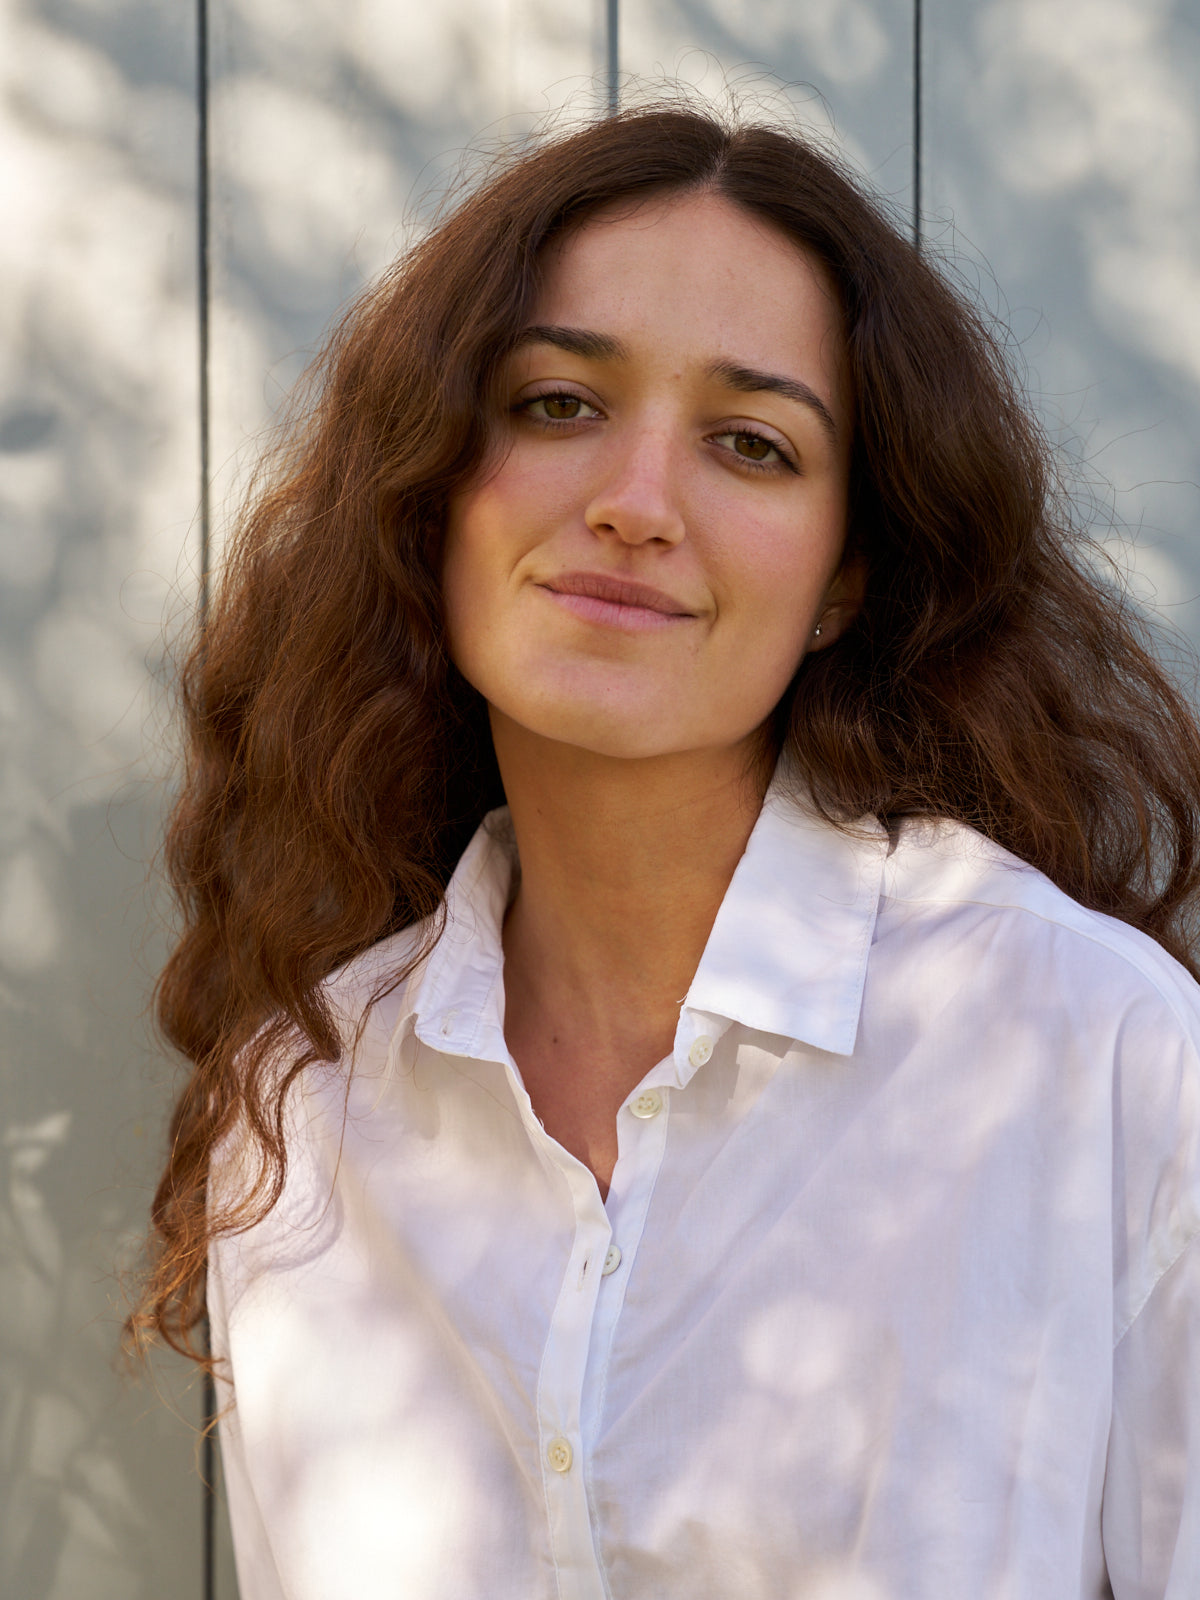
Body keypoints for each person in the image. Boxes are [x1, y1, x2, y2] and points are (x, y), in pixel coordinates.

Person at [132, 104, 1200, 1597]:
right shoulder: (305, 1107)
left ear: (843, 580)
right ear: (433, 488)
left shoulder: (1096, 1059)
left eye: (752, 445)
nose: (635, 505)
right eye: (559, 403)